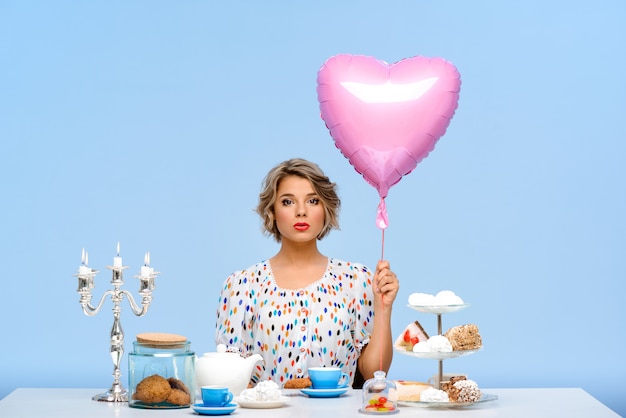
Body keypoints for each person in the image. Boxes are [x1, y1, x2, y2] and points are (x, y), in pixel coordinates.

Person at [215, 158, 399, 388]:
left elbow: (374, 373)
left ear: (325, 208)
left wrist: (384, 308)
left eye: (313, 201)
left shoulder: (356, 279)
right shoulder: (243, 285)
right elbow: (232, 379)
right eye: (288, 201)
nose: (301, 211)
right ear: (272, 210)